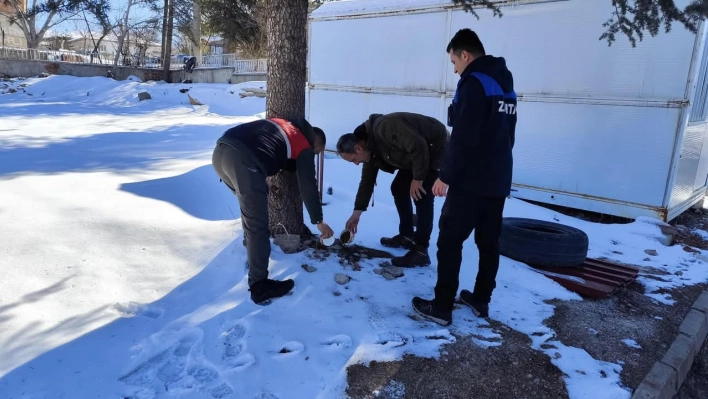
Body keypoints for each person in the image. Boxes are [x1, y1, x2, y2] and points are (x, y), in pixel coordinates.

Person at [412, 28, 518, 326]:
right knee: (488, 243)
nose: (455, 68)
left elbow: (463, 135)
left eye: (454, 62)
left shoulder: (473, 82)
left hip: (471, 181)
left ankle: (442, 306)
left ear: (465, 54)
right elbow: (508, 133)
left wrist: (446, 175)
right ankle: (481, 299)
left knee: (449, 241)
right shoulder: (505, 83)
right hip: (498, 179)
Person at [212, 117, 335, 305]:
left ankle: (252, 249)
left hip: (221, 152)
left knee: (251, 216)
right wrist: (319, 220)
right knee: (258, 226)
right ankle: (260, 287)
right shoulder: (304, 143)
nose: (312, 155)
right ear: (315, 142)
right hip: (243, 160)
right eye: (315, 152)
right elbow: (308, 185)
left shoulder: (285, 125)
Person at [336, 112, 450, 267]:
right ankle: (407, 235)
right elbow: (367, 182)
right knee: (398, 187)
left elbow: (418, 144)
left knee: (421, 194)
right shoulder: (369, 148)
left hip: (434, 146)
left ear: (358, 148)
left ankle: (421, 251)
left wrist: (418, 179)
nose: (356, 164)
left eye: (354, 160)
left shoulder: (385, 127)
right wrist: (357, 213)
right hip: (415, 156)